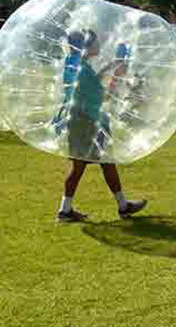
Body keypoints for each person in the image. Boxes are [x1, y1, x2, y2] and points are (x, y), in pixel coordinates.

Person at [55, 30, 147, 222]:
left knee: (82, 166)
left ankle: (66, 210)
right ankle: (122, 206)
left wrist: (108, 68)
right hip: (89, 124)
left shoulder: (75, 64)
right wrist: (117, 79)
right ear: (86, 47)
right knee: (103, 162)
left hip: (78, 122)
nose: (99, 46)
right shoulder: (83, 70)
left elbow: (90, 84)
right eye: (96, 43)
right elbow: (102, 96)